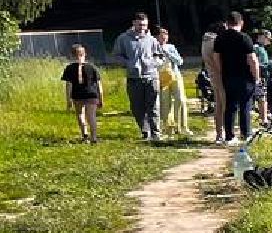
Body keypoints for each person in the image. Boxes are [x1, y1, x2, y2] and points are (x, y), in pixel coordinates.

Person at [208, 11, 261, 144]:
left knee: (230, 106)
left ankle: (229, 136)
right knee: (245, 106)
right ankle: (245, 134)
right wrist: (256, 77)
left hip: (228, 76)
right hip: (245, 77)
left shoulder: (220, 38)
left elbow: (216, 57)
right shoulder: (244, 38)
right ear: (241, 23)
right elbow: (252, 60)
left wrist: (222, 71)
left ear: (228, 23)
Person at [110, 12, 163, 141]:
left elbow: (160, 56)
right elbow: (116, 56)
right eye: (139, 24)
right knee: (137, 107)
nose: (142, 27)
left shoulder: (152, 40)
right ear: (134, 23)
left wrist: (153, 63)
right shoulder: (123, 38)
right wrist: (129, 63)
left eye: (144, 25)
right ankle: (145, 131)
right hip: (134, 78)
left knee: (153, 106)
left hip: (151, 77)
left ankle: (156, 133)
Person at [59, 44, 102, 144]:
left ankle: (85, 135)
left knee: (80, 114)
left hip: (77, 95)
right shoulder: (92, 68)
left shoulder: (69, 68)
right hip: (91, 95)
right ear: (85, 54)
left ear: (72, 56)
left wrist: (68, 99)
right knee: (91, 117)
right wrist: (101, 98)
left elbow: (68, 85)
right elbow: (99, 86)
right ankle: (94, 137)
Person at [153, 27, 191, 138]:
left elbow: (180, 61)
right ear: (156, 37)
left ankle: (183, 127)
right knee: (165, 103)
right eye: (161, 36)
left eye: (166, 36)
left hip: (175, 75)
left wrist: (168, 53)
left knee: (181, 99)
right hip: (162, 78)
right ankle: (169, 128)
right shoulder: (153, 48)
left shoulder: (171, 47)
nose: (164, 38)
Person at [253, 30, 272, 126]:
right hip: (260, 75)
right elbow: (258, 63)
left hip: (265, 76)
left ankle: (265, 117)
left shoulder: (262, 49)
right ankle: (264, 120)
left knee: (264, 98)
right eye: (267, 39)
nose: (269, 42)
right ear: (261, 37)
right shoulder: (256, 48)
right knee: (262, 98)